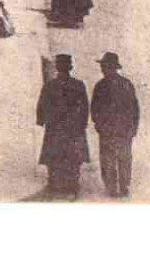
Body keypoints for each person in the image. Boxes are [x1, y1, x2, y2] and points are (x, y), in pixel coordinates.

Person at [37, 53, 91, 199]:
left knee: (55, 155)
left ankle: (55, 182)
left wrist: (42, 119)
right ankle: (71, 183)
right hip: (72, 127)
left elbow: (42, 105)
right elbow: (85, 107)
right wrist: (82, 123)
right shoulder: (78, 85)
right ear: (70, 68)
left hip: (56, 127)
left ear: (58, 68)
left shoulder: (50, 85)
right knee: (72, 156)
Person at [92, 51, 140, 199]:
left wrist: (133, 127)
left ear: (111, 67)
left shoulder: (111, 85)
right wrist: (99, 124)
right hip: (115, 130)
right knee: (116, 158)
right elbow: (95, 108)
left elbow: (134, 108)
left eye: (105, 66)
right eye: (102, 66)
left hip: (117, 129)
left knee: (116, 158)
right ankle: (117, 187)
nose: (103, 69)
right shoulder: (110, 85)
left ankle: (118, 187)